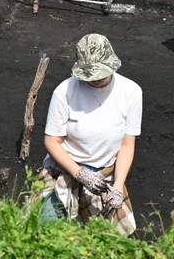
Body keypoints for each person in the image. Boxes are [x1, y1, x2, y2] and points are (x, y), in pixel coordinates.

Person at [38, 34, 141, 236]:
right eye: (89, 76)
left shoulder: (131, 92)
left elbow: (127, 145)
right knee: (48, 232)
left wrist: (118, 186)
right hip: (67, 168)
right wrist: (81, 174)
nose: (93, 80)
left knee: (110, 238)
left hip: (106, 174)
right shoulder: (65, 91)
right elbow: (52, 141)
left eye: (99, 75)